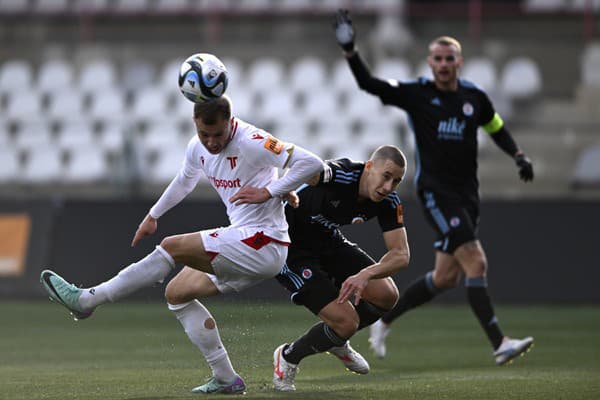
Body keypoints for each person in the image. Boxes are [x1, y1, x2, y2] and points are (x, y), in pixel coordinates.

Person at [40, 95, 324, 395]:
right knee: (177, 294)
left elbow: (312, 164)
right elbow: (184, 180)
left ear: (230, 123)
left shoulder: (252, 140)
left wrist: (271, 191)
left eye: (218, 134)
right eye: (205, 135)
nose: (212, 142)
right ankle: (226, 378)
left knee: (171, 247)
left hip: (265, 242)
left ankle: (87, 300)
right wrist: (153, 215)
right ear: (195, 125)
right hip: (248, 244)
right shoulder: (196, 148)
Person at [333, 9, 535, 366]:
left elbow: (496, 126)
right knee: (476, 261)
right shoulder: (417, 94)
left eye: (449, 59)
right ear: (429, 63)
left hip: (467, 195)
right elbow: (371, 84)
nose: (443, 64)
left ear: (459, 61)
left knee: (445, 277)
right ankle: (499, 342)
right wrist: (350, 50)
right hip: (436, 193)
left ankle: (384, 323)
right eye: (438, 59)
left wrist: (517, 154)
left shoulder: (475, 98)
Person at [272, 145, 410, 391]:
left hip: (328, 240)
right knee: (346, 322)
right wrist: (281, 189)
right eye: (386, 176)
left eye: (396, 181)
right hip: (289, 248)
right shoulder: (342, 174)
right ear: (369, 167)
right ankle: (288, 356)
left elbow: (401, 254)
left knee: (387, 296)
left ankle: (336, 338)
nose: (388, 186)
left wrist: (366, 274)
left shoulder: (388, 200)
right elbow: (306, 168)